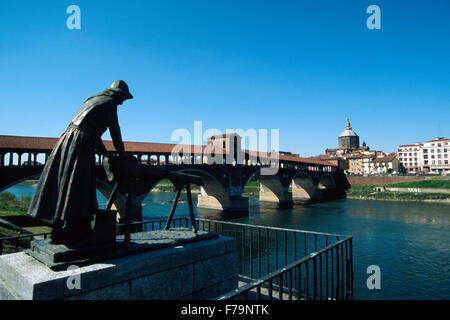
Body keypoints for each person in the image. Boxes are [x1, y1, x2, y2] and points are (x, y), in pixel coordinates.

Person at [28, 80, 133, 245]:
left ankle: (58, 229)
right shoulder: (110, 105)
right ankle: (76, 231)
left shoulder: (92, 100)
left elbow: (90, 130)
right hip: (81, 145)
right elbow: (115, 133)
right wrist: (122, 155)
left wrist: (105, 154)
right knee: (78, 186)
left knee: (63, 184)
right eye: (123, 99)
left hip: (66, 140)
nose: (122, 103)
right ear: (118, 94)